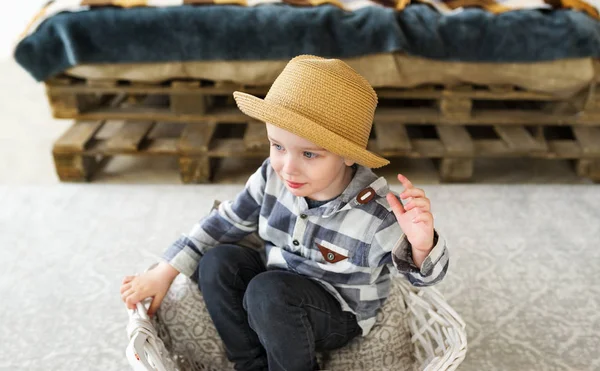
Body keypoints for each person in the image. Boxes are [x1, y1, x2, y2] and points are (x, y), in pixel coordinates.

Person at [120, 55, 449, 371]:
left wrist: (421, 245)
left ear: (349, 156)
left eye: (309, 153)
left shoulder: (376, 213)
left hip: (336, 311)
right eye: (277, 146)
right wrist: (164, 272)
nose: (287, 167)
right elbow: (224, 222)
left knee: (269, 292)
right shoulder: (270, 177)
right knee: (217, 262)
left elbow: (424, 277)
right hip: (272, 285)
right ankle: (252, 364)